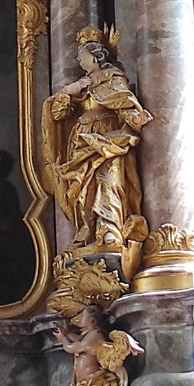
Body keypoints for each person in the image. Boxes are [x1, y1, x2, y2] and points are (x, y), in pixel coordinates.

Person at [40, 29, 152, 281]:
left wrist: (135, 119)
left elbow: (124, 103)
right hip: (82, 140)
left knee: (108, 181)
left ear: (95, 56)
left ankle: (109, 229)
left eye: (82, 55)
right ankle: (87, 229)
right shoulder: (83, 85)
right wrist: (68, 91)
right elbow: (57, 114)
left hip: (107, 136)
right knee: (82, 188)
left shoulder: (112, 77)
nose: (79, 60)